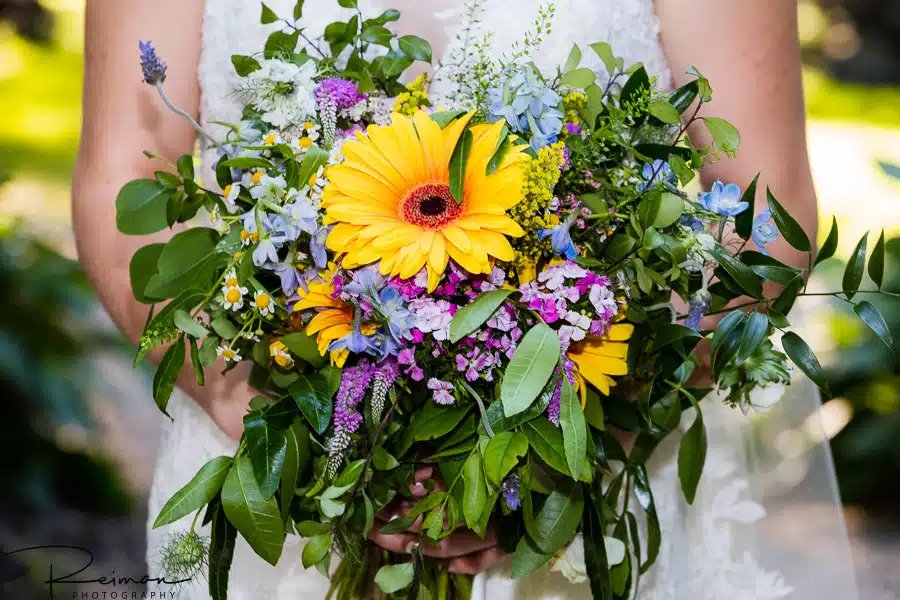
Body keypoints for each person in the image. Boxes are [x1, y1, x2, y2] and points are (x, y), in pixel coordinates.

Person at [72, 0, 859, 598]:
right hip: (275, 462)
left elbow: (764, 208)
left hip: (593, 480)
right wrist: (274, 420)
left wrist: (560, 449)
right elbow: (122, 184)